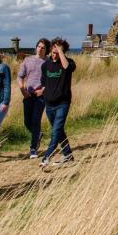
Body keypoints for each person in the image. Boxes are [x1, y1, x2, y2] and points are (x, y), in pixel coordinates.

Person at [37, 37, 76, 169]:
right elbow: (44, 83)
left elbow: (66, 67)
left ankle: (46, 157)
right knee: (58, 131)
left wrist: (60, 52)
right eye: (54, 48)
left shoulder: (69, 62)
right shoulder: (45, 65)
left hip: (63, 102)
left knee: (55, 131)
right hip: (49, 104)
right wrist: (41, 92)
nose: (55, 51)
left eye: (59, 49)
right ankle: (68, 155)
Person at [17, 38, 50, 158]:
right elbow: (20, 76)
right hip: (28, 94)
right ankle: (38, 135)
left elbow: (51, 79)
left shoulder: (48, 62)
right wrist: (22, 90)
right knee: (27, 121)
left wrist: (43, 90)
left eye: (43, 47)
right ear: (36, 47)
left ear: (47, 50)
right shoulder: (28, 60)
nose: (40, 49)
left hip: (41, 96)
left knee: (36, 120)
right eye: (39, 46)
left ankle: (33, 149)